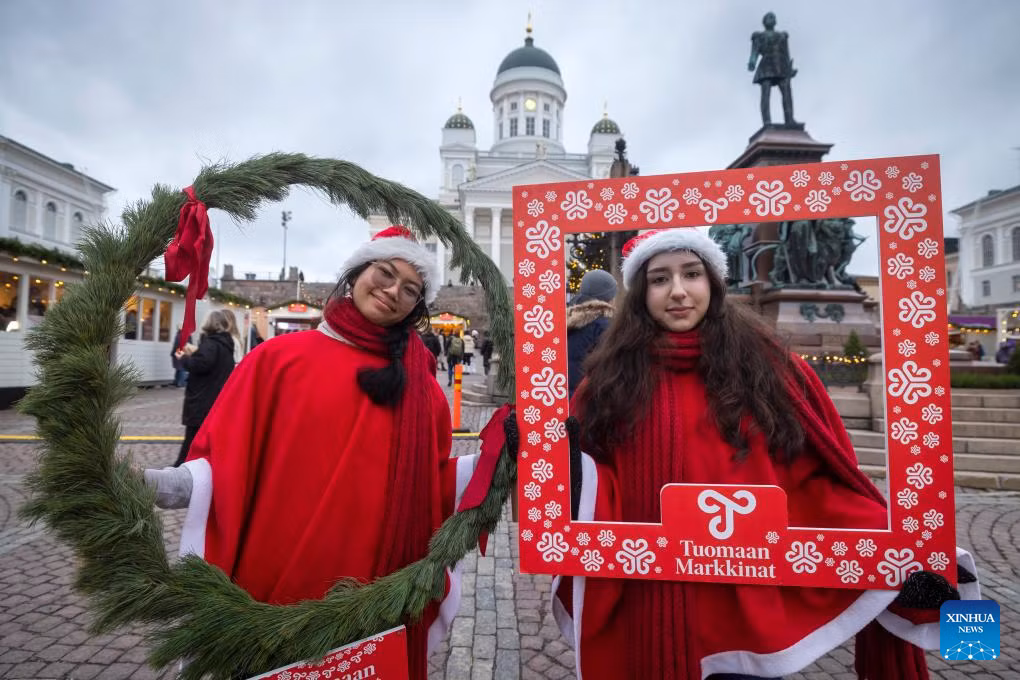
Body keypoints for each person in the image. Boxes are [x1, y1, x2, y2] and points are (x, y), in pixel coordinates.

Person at [556, 228, 978, 679]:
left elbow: (815, 479)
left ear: (714, 283)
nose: (677, 291)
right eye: (659, 279)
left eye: (691, 274)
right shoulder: (608, 380)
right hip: (649, 600)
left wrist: (905, 551)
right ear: (641, 294)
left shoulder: (771, 368)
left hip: (747, 604)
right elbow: (591, 480)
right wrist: (547, 449)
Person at [144, 226, 488, 679]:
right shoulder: (279, 358)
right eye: (384, 274)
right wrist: (171, 484)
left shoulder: (423, 388)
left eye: (410, 290)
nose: (392, 292)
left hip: (371, 584)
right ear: (356, 273)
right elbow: (226, 454)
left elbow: (432, 481)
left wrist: (494, 462)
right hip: (278, 568)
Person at [172, 310, 236, 467]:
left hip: (202, 399)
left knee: (192, 439)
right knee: (202, 439)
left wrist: (184, 358)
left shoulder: (211, 344)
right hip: (214, 397)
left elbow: (201, 365)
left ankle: (180, 470)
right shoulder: (225, 344)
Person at [566, 269, 617, 397]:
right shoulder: (605, 327)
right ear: (609, 298)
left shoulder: (568, 323)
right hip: (588, 403)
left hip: (565, 401)